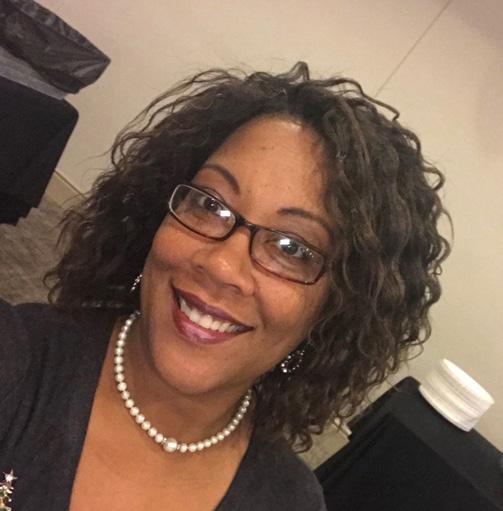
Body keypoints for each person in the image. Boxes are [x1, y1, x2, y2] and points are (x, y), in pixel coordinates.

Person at [0, 62, 450, 510]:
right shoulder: (18, 359)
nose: (221, 265)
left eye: (291, 247)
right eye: (210, 204)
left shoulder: (288, 502)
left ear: (335, 309)